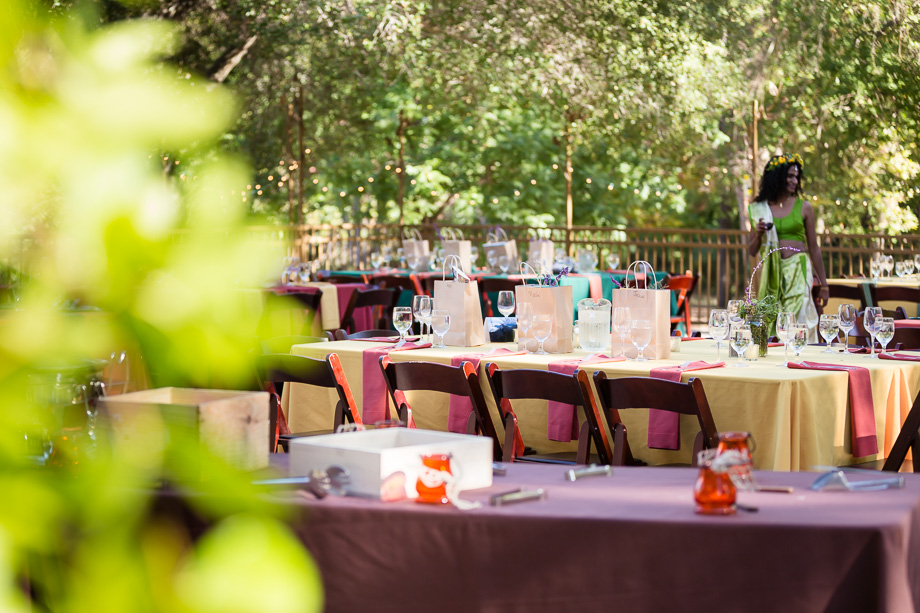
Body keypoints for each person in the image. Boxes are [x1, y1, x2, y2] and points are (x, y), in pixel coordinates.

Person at [748, 153, 828, 341]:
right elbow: (752, 250)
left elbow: (814, 248)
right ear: (777, 176)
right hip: (771, 270)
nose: (794, 181)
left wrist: (824, 284)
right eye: (790, 176)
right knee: (771, 316)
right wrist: (759, 234)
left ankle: (799, 359)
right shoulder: (760, 208)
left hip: (798, 268)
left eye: (796, 177)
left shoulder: (804, 207)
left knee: (795, 316)